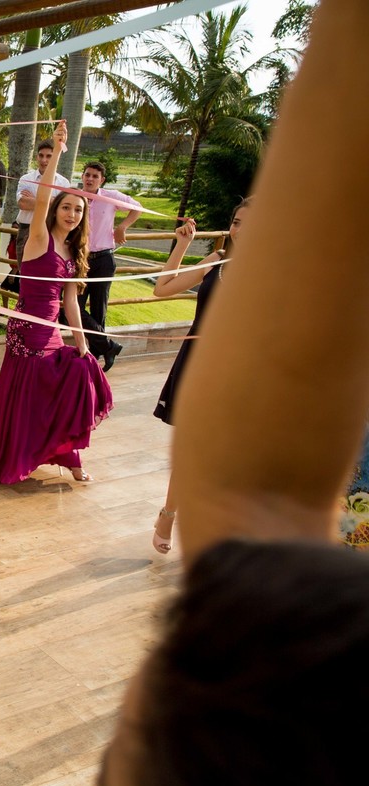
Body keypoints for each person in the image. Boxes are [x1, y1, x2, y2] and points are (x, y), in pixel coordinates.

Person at [97, 2, 369, 786]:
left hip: (232, 393)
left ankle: (170, 517)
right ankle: (167, 517)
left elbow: (259, 493)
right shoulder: (229, 274)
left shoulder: (255, 282)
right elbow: (259, 495)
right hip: (217, 380)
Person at [0, 121, 112, 484]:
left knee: (67, 380)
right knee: (32, 395)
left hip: (53, 331)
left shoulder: (74, 252)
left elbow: (71, 301)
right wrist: (57, 151)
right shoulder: (39, 237)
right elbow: (41, 198)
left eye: (78, 210)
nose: (72, 214)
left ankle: (68, 456)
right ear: (56, 210)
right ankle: (27, 454)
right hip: (28, 328)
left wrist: (81, 342)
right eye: (67, 208)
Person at [149, 201, 249, 554]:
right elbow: (162, 288)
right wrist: (182, 246)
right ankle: (169, 514)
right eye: (237, 222)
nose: (243, 230)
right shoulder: (217, 260)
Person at [79, 161, 141, 371]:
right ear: (82, 176)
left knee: (99, 309)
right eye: (87, 175)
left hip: (104, 259)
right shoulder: (75, 196)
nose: (90, 179)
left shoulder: (110, 196)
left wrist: (122, 227)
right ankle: (108, 346)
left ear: (101, 180)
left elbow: (137, 207)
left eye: (95, 176)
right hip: (81, 259)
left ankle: (96, 357)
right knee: (72, 308)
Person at [8, 138, 72, 289]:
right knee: (25, 273)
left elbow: (63, 208)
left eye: (49, 156)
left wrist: (36, 200)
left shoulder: (64, 183)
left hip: (51, 232)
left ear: (55, 156)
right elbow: (23, 203)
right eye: (41, 155)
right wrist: (53, 202)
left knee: (47, 275)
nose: (44, 160)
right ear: (36, 156)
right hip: (26, 231)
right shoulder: (26, 178)